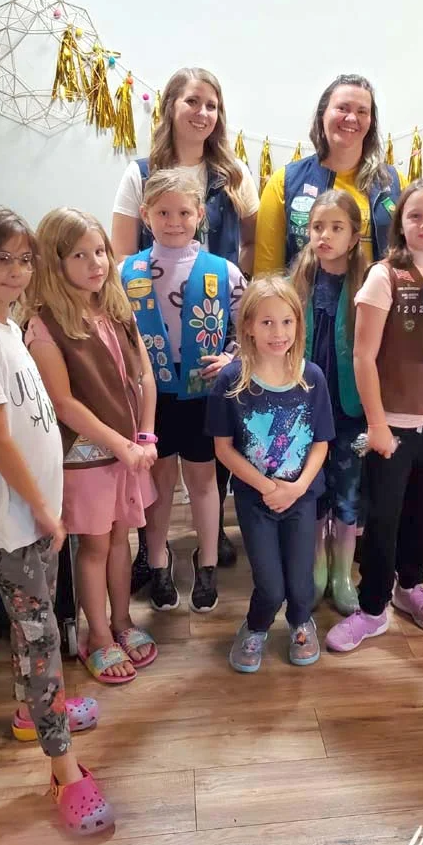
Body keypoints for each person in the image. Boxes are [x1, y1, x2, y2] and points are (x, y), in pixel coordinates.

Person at [0, 206, 113, 833]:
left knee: (40, 634)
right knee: (41, 644)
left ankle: (35, 714)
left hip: (35, 517)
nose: (16, 270)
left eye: (25, 259)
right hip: (16, 520)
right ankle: (64, 769)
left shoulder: (5, 327)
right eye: (1, 257)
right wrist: (41, 507)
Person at [326, 178, 423, 652]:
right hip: (392, 424)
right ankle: (373, 608)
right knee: (385, 517)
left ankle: (409, 586)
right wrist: (376, 424)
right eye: (415, 215)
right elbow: (362, 357)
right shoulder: (384, 275)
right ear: (401, 225)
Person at [112, 67, 258, 573]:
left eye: (211, 105)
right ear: (171, 106)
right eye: (192, 101)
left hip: (210, 331)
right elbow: (122, 260)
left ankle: (208, 545)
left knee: (206, 458)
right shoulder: (141, 171)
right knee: (159, 460)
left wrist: (237, 341)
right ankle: (152, 558)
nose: (202, 113)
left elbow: (252, 249)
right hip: (155, 342)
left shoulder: (233, 176)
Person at [26, 208, 157, 685]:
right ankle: (97, 636)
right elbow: (64, 402)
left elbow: (144, 374)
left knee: (122, 539)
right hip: (87, 457)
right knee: (95, 546)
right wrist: (122, 444)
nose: (95, 262)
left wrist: (145, 434)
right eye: (79, 255)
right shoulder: (44, 326)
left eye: (99, 250)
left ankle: (122, 621)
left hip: (128, 449)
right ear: (54, 263)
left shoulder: (118, 310)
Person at [121, 169, 246, 614]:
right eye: (163, 212)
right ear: (145, 215)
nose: (174, 221)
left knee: (204, 480)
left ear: (200, 215)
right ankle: (157, 560)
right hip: (150, 397)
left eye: (184, 212)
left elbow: (247, 327)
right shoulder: (126, 273)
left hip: (204, 394)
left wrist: (232, 356)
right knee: (157, 480)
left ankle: (207, 560)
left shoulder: (224, 271)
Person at [207, 276, 335, 672]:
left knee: (301, 585)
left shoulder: (311, 376)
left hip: (301, 497)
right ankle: (257, 625)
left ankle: (301, 623)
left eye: (286, 322)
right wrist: (266, 487)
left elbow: (320, 443)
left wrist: (296, 488)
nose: (278, 333)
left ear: (298, 324)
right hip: (255, 500)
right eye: (266, 323)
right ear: (247, 325)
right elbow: (223, 448)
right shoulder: (231, 381)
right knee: (271, 586)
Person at [291, 190, 367, 615]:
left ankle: (342, 572)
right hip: (305, 410)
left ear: (354, 236)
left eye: (337, 228)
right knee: (313, 490)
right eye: (318, 227)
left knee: (349, 492)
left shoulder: (365, 283)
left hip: (349, 409)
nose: (325, 235)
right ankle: (317, 568)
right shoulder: (298, 281)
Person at [254, 73, 406, 275]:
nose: (352, 118)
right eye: (342, 108)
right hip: (305, 305)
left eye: (362, 111)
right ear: (322, 115)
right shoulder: (284, 182)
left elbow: (413, 259)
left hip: (380, 306)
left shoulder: (395, 183)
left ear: (371, 122)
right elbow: (267, 276)